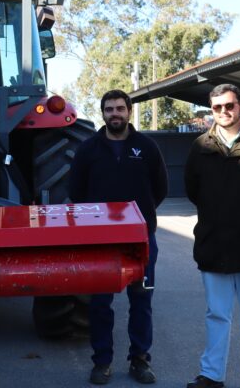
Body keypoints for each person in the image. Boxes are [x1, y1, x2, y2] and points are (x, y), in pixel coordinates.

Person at [69, 89, 167, 385]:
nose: (115, 114)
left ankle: (140, 360)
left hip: (140, 239)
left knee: (141, 300)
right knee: (100, 303)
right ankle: (102, 362)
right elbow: (76, 192)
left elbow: (159, 188)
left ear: (129, 111)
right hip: (101, 240)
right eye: (109, 109)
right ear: (103, 113)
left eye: (120, 109)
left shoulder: (147, 147)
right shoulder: (88, 149)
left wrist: (141, 218)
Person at [183, 84, 240, 388]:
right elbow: (193, 190)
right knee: (217, 315)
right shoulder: (200, 147)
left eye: (229, 106)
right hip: (214, 245)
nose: (224, 112)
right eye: (217, 107)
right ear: (212, 110)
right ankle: (212, 375)